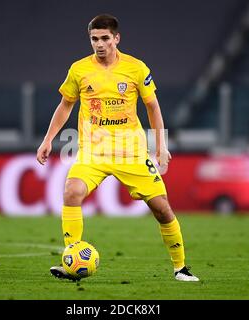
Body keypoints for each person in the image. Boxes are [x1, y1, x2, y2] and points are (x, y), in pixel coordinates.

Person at [36, 14, 199, 282]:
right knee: (71, 191)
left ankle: (180, 268)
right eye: (94, 39)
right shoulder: (79, 69)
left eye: (104, 38)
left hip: (131, 151)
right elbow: (66, 105)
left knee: (162, 208)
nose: (99, 44)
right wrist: (47, 139)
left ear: (116, 38)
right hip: (93, 151)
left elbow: (152, 107)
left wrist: (161, 147)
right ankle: (70, 258)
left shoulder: (136, 68)